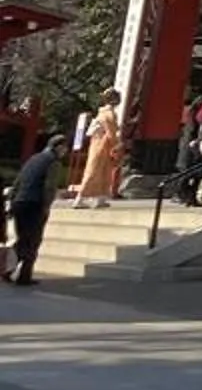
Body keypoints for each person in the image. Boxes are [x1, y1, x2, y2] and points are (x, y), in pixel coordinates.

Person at [5, 133, 63, 284]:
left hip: (19, 203)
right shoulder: (53, 162)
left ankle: (7, 269)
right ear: (58, 147)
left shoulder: (32, 159)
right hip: (34, 204)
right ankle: (24, 277)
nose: (65, 152)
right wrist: (46, 206)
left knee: (23, 240)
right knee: (32, 241)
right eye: (64, 148)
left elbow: (18, 181)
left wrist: (11, 202)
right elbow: (49, 187)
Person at [71, 91, 124, 207]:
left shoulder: (104, 113)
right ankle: (80, 198)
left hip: (100, 143)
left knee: (104, 171)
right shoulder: (108, 114)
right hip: (102, 143)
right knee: (94, 170)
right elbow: (111, 132)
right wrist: (117, 144)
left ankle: (100, 198)